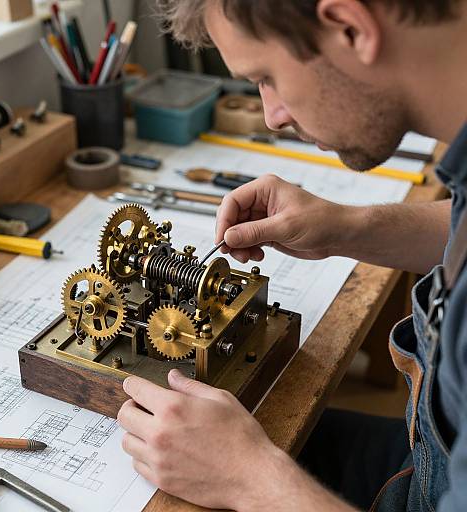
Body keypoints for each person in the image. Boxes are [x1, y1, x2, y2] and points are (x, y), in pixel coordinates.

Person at [116, 1, 467, 510]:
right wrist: (344, 227)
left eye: (266, 76)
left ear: (349, 27)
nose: (272, 116)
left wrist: (251, 479)